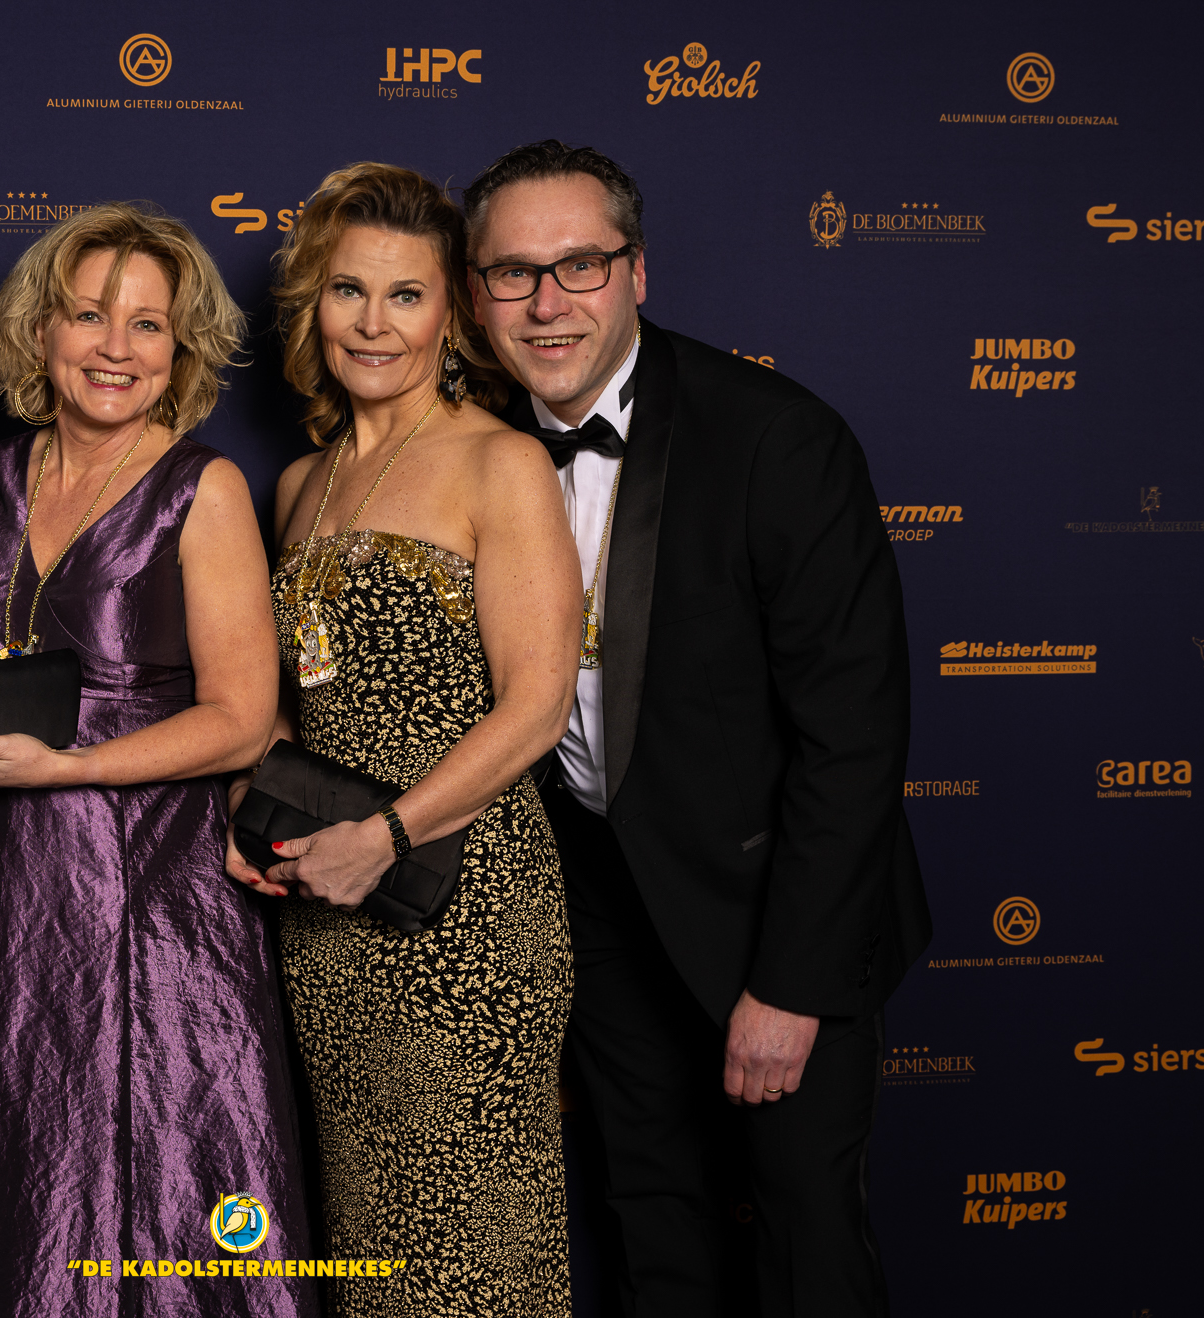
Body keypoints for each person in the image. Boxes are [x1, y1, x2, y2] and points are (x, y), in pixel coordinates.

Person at [461, 139, 932, 1315]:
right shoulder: (466, 447)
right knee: (650, 1220)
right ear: (475, 293)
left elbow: (851, 741)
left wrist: (791, 985)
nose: (546, 302)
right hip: (598, 904)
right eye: (513, 272)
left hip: (769, 911)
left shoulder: (773, 438)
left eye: (579, 264)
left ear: (636, 271)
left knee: (804, 1244)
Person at [0, 202, 318, 1318]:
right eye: (89, 316)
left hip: (156, 894)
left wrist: (64, 768)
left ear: (180, 349)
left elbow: (241, 719)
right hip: (4, 891)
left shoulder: (202, 488)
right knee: (30, 1166)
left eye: (147, 325)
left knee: (167, 1176)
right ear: (40, 331)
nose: (115, 348)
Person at [227, 162, 583, 1316]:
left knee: (473, 1250)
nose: (372, 323)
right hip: (329, 919)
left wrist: (383, 834)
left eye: (405, 295)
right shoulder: (298, 483)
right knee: (373, 1241)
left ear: (452, 314)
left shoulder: (498, 460)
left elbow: (536, 705)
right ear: (313, 305)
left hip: (464, 908)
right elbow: (298, 697)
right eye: (347, 291)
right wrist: (249, 814)